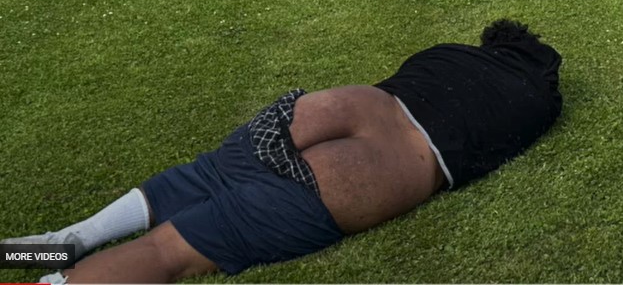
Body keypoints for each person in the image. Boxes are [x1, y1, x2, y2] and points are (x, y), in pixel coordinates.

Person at [4, 19, 563, 284]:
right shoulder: (540, 100)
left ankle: (55, 248)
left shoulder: (446, 53)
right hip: (367, 170)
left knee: (200, 178)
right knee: (164, 253)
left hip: (327, 113)